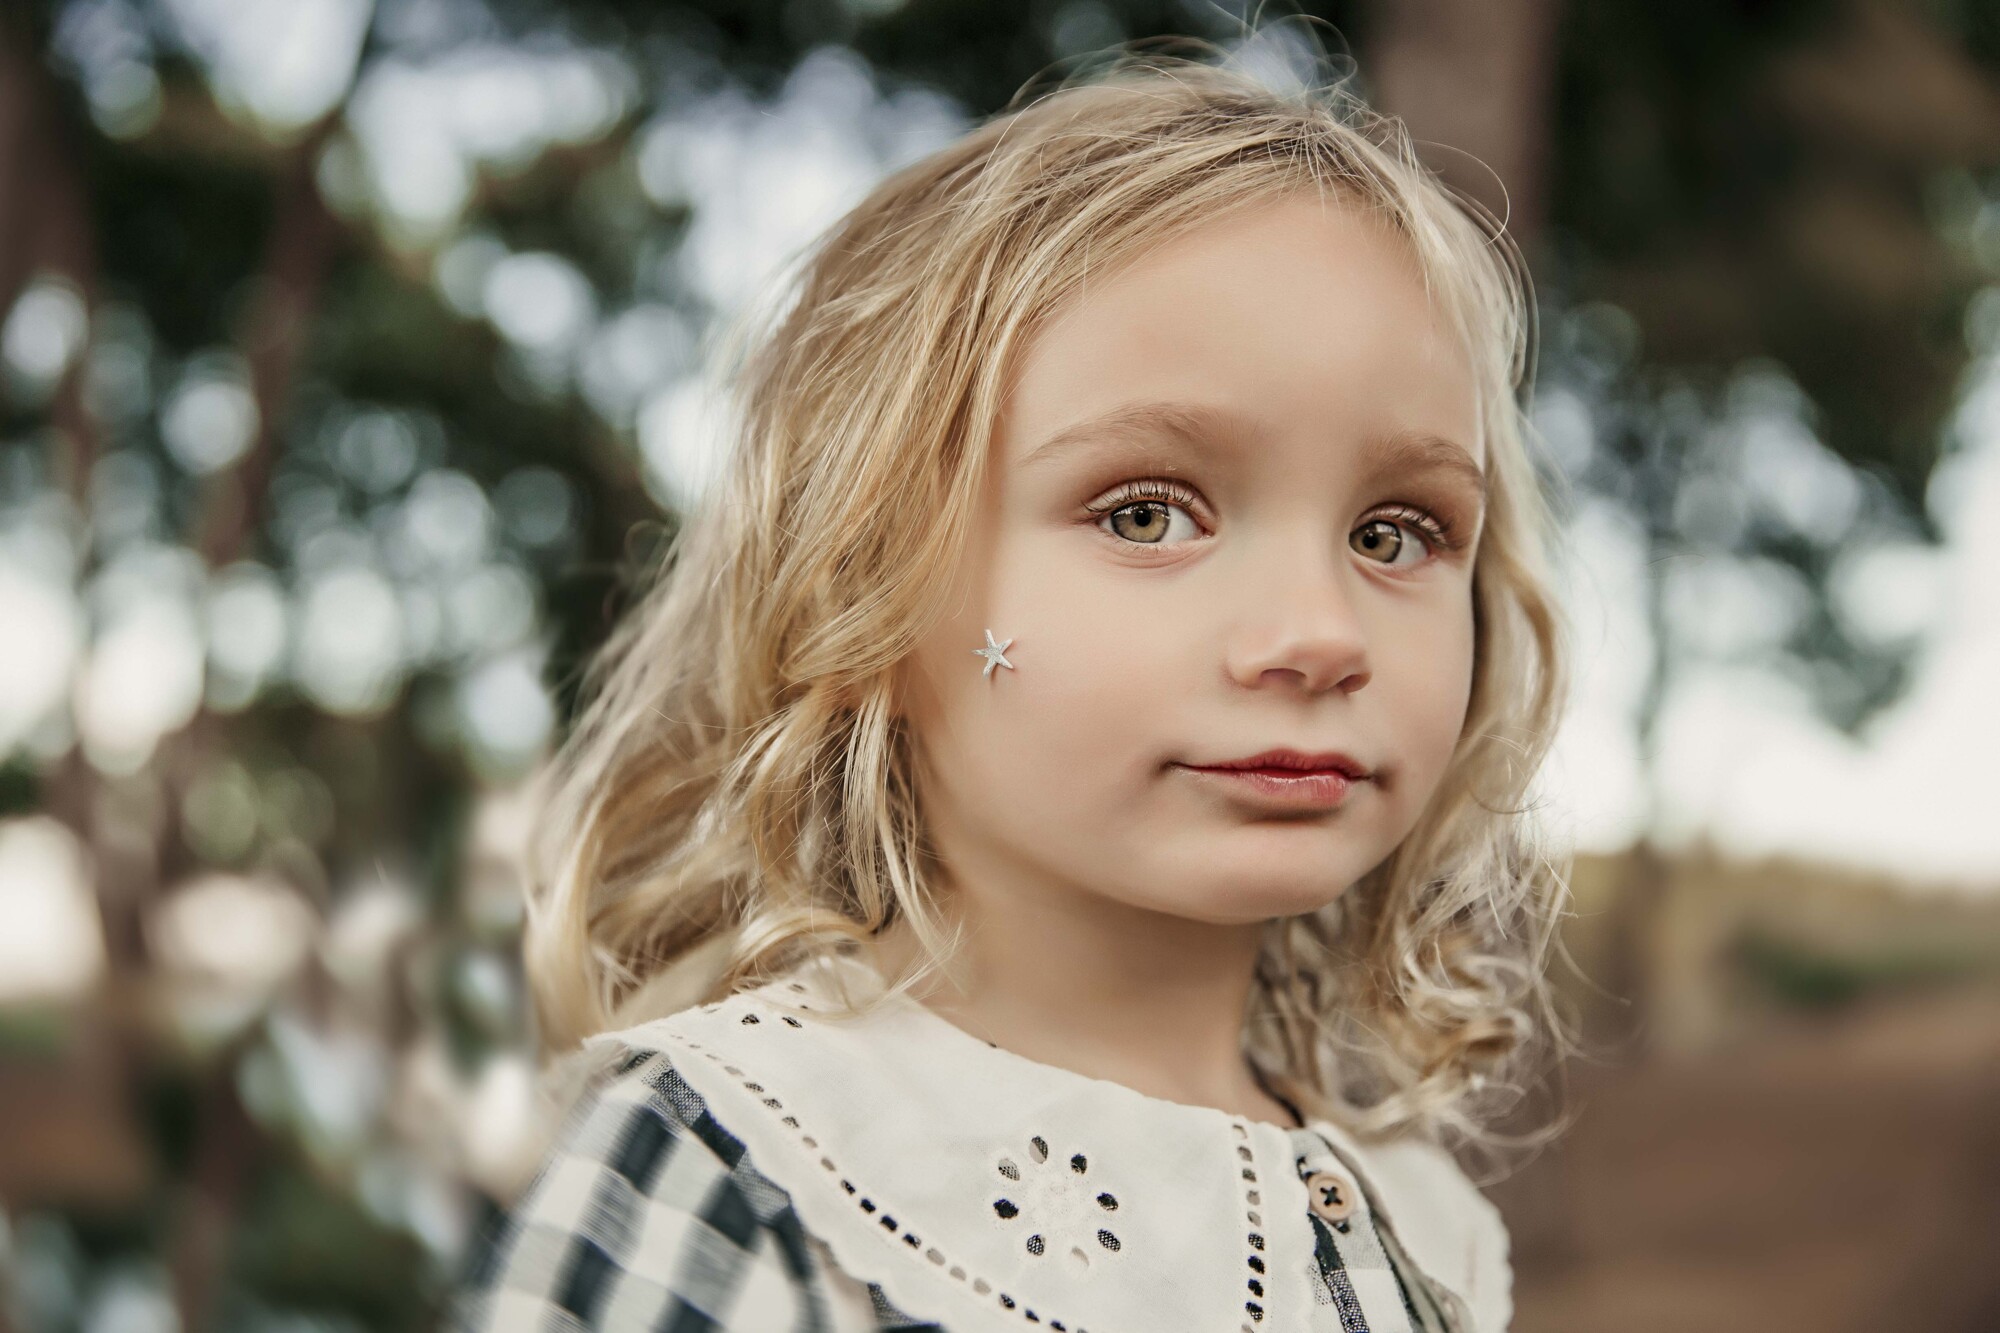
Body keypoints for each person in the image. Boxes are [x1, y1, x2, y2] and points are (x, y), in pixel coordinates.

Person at [450, 37, 1577, 1333]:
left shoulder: (1420, 1228)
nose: (1319, 634)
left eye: (1394, 533)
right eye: (1149, 513)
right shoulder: (741, 1161)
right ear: (862, 588)